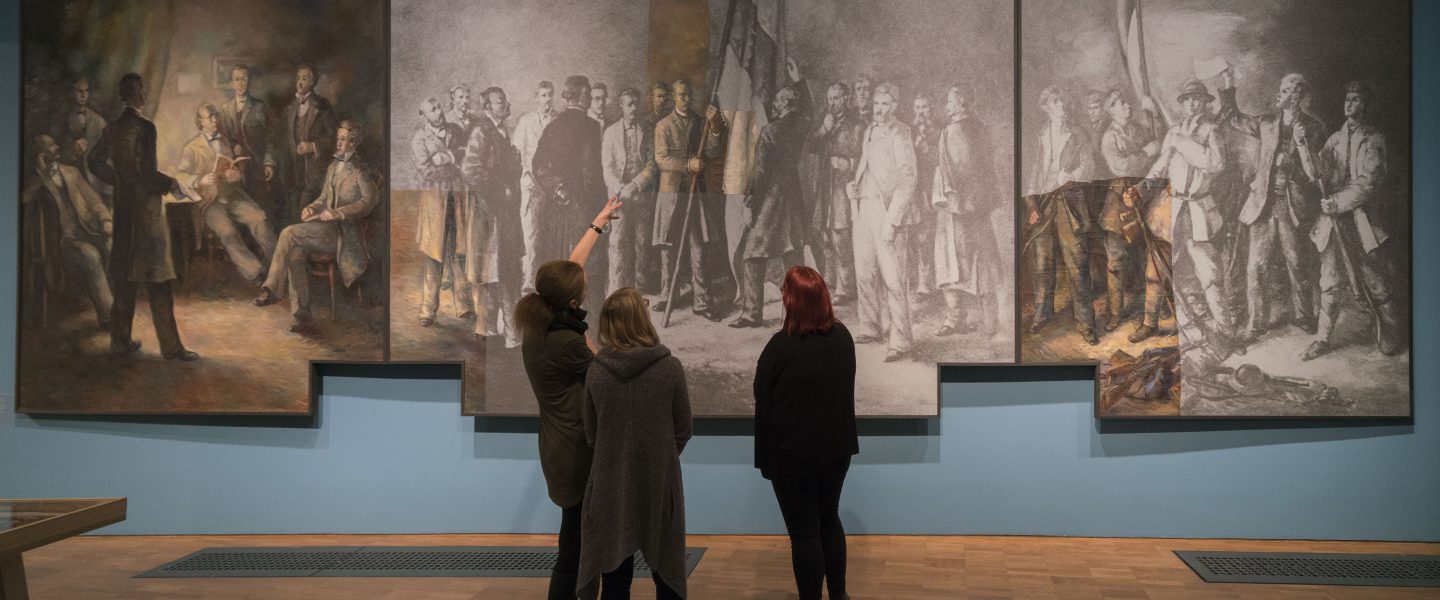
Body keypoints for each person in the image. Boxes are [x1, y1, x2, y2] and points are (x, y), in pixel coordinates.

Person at [515, 197, 622, 600]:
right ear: (573, 304)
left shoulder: (541, 322)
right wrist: (591, 338)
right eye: (584, 288)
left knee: (575, 534)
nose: (587, 282)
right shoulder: (565, 342)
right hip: (577, 449)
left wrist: (596, 225)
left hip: (560, 444)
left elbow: (570, 269)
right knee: (576, 544)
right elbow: (607, 373)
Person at [576, 287, 693, 599]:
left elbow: (592, 433)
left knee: (614, 578)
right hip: (659, 479)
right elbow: (683, 428)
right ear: (642, 319)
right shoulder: (669, 367)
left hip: (610, 481)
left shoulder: (597, 372)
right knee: (667, 574)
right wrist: (659, 454)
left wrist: (616, 454)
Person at [753, 266, 857, 600]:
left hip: (792, 457)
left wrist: (766, 459)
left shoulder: (780, 347)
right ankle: (839, 594)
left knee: (805, 534)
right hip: (835, 450)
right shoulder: (842, 337)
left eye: (784, 290)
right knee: (829, 520)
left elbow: (762, 399)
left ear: (792, 300)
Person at [88, 73, 197, 360]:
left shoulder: (112, 128)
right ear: (137, 95)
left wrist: (117, 180)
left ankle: (119, 342)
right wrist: (172, 184)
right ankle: (171, 348)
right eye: (143, 90)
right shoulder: (145, 127)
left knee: (125, 277)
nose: (145, 94)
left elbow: (93, 161)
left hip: (124, 211)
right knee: (158, 279)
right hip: (146, 214)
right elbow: (146, 173)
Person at [1305, 81, 1402, 359]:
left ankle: (1392, 331)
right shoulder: (1334, 139)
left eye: (1356, 99)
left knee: (1375, 280)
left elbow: (1367, 183)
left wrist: (1338, 202)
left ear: (1365, 104)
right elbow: (1317, 174)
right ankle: (1323, 338)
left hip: (1361, 220)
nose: (1349, 104)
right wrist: (1302, 145)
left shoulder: (1374, 139)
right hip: (1332, 221)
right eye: (1347, 99)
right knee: (1329, 281)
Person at [253, 121, 378, 333]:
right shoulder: (333, 166)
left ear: (354, 143)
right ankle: (300, 316)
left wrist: (339, 212)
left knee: (288, 232)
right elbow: (323, 197)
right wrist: (311, 207)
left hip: (344, 235)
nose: (338, 143)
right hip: (326, 230)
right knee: (294, 253)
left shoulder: (360, 170)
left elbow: (370, 200)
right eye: (338, 138)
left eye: (343, 139)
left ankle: (272, 289)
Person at [1235, 73, 1324, 341]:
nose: (1279, 94)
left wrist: (1293, 164)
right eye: (1281, 89)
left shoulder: (1313, 127)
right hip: (1263, 204)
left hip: (1292, 206)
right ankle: (1256, 323)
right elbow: (1237, 119)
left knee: (1297, 263)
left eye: (1285, 91)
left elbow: (1317, 174)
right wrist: (1227, 87)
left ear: (1296, 96)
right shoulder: (1267, 122)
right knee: (1256, 267)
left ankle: (1304, 316)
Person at [846, 82, 917, 362]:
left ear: (895, 105)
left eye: (886, 104)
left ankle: (902, 340)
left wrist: (893, 219)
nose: (879, 109)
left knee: (894, 278)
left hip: (888, 212)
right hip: (864, 208)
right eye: (877, 103)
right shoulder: (870, 130)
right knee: (865, 272)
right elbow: (867, 165)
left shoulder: (901, 132)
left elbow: (908, 177)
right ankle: (870, 327)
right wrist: (853, 187)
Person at [733, 78, 810, 328]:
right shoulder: (802, 126)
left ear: (785, 104)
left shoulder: (770, 131)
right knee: (792, 254)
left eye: (777, 101)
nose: (774, 105)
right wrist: (800, 82)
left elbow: (760, 173)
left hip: (772, 199)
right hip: (794, 198)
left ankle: (751, 313)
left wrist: (749, 203)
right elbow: (809, 112)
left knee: (752, 254)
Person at [1023, 86, 1098, 344]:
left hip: (1069, 204)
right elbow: (1032, 173)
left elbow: (1089, 167)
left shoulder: (1078, 134)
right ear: (1046, 107)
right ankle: (1043, 313)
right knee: (1042, 263)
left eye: (1063, 100)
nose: (1062, 105)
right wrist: (1032, 206)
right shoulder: (1040, 136)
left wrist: (1070, 176)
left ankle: (1086, 323)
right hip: (1044, 204)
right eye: (1056, 101)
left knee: (1077, 263)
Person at [652, 78, 730, 321]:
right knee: (668, 247)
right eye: (681, 95)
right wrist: (688, 165)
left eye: (688, 95)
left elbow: (713, 150)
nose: (686, 99)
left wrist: (714, 127)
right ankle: (668, 296)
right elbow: (661, 159)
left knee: (698, 247)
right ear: (674, 97)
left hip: (695, 194)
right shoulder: (663, 125)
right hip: (671, 193)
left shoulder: (700, 121)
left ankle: (702, 301)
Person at [175, 103, 278, 284]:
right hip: (210, 202)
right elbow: (180, 176)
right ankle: (256, 273)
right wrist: (200, 180)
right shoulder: (191, 148)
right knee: (228, 231)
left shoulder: (226, 142)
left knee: (260, 217)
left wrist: (237, 175)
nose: (215, 120)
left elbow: (236, 169)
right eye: (210, 117)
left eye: (216, 115)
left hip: (233, 196)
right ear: (200, 122)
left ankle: (278, 265)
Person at [23, 133, 114, 328]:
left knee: (112, 245)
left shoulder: (71, 171)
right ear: (40, 154)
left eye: (54, 144)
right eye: (49, 146)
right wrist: (42, 174)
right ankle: (109, 317)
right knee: (90, 255)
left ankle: (116, 308)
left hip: (87, 229)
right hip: (59, 240)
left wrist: (105, 219)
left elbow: (93, 199)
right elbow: (24, 199)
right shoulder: (35, 180)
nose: (55, 147)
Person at [534, 75, 608, 312]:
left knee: (560, 265)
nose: (590, 96)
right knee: (589, 267)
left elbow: (538, 165)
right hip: (584, 207)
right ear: (579, 95)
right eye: (587, 92)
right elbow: (590, 174)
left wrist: (557, 189)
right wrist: (601, 210)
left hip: (557, 210)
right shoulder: (591, 127)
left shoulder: (552, 126)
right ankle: (591, 325)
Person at [463, 86, 524, 347]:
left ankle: (505, 332)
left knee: (505, 269)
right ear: (488, 107)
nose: (506, 104)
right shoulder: (482, 131)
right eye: (500, 102)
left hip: (503, 213)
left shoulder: (501, 131)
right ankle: (498, 331)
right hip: (489, 214)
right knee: (496, 271)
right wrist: (501, 188)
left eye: (505, 100)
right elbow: (470, 170)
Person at [412, 97, 473, 326]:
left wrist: (448, 158)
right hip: (435, 204)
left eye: (438, 107)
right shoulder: (419, 139)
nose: (438, 112)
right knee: (433, 256)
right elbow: (426, 171)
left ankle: (464, 306)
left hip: (457, 199)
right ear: (423, 116)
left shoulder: (455, 130)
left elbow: (467, 158)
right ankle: (428, 311)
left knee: (460, 253)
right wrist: (452, 164)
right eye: (432, 110)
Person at [807, 81, 864, 305]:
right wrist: (824, 129)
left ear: (846, 99)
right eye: (830, 98)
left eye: (837, 98)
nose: (833, 103)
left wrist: (849, 164)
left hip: (844, 186)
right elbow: (811, 147)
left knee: (841, 236)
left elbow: (867, 157)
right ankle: (829, 282)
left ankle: (846, 287)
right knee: (825, 235)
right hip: (826, 186)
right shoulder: (827, 122)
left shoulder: (857, 124)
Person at [602, 87, 659, 296]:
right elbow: (607, 168)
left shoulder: (648, 130)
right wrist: (620, 189)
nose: (633, 108)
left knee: (642, 242)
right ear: (621, 106)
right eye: (629, 104)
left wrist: (635, 185)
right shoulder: (610, 133)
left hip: (641, 195)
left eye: (636, 104)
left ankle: (641, 290)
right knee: (618, 242)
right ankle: (617, 288)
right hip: (618, 198)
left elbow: (652, 165)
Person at [514, 80, 560, 294]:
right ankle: (529, 281)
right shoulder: (526, 121)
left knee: (552, 234)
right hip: (531, 185)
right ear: (536, 98)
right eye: (543, 95)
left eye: (550, 94)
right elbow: (517, 152)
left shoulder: (559, 120)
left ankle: (550, 281)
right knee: (531, 236)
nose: (547, 99)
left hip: (553, 186)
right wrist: (525, 173)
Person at [218, 64, 277, 222]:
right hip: (236, 168)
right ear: (231, 84)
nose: (240, 83)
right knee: (239, 211)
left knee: (261, 211)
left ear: (249, 81)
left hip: (257, 166)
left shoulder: (260, 107)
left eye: (243, 79)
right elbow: (223, 139)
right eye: (236, 79)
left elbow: (271, 138)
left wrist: (269, 162)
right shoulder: (225, 110)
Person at [282, 64, 337, 224]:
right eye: (298, 78)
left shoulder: (322, 106)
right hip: (293, 171)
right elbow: (284, 138)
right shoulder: (291, 107)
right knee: (292, 215)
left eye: (304, 78)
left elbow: (334, 138)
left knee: (306, 214)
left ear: (312, 82)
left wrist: (312, 146)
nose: (300, 82)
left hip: (313, 171)